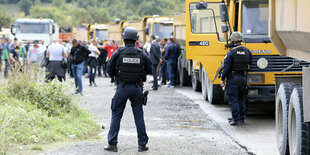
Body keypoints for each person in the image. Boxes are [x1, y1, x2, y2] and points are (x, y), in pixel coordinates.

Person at [104, 27, 152, 152]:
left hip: (122, 87)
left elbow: (108, 70)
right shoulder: (141, 53)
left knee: (116, 115)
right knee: (138, 116)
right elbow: (151, 69)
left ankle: (112, 144)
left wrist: (117, 75)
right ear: (136, 39)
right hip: (136, 88)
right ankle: (142, 145)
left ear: (123, 39)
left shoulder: (118, 53)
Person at [220, 32, 252, 126]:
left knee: (233, 99)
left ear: (233, 40)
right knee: (241, 98)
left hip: (233, 78)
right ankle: (241, 118)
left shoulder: (231, 52)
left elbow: (226, 67)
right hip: (243, 78)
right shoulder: (247, 51)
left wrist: (223, 79)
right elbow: (250, 62)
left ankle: (236, 119)